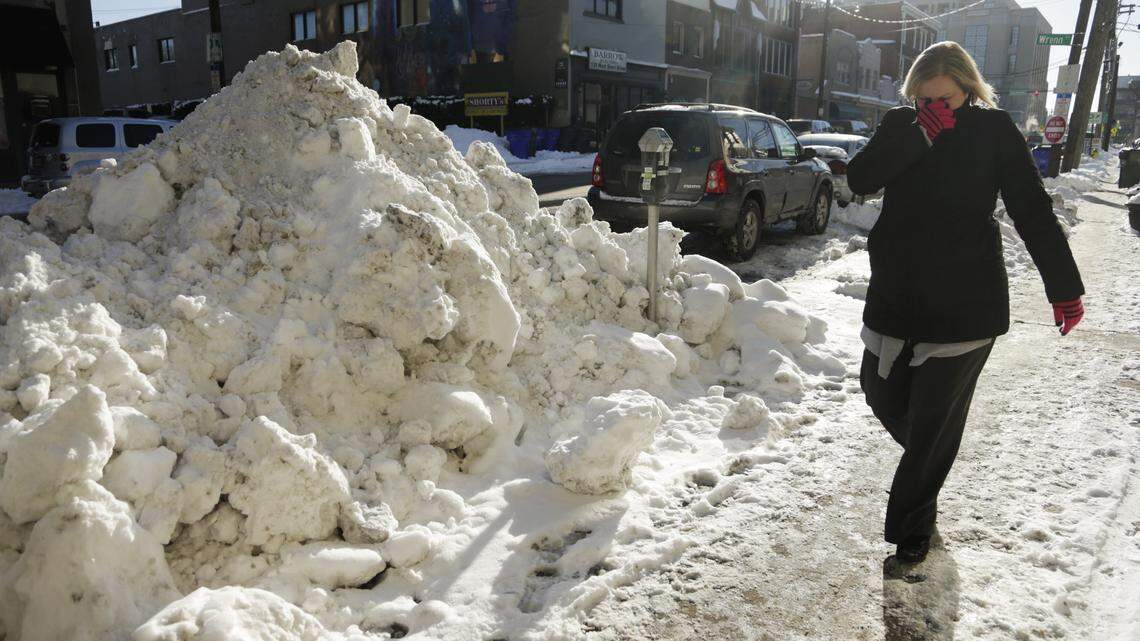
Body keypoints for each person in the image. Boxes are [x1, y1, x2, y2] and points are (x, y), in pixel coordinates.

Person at [846, 42, 1085, 564]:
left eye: (945, 100)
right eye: (923, 100)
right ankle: (928, 463)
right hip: (896, 296)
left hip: (965, 304)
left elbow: (1031, 209)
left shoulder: (993, 130)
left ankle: (911, 531)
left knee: (932, 425)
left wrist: (1063, 286)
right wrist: (919, 135)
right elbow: (860, 179)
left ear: (968, 90)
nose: (934, 108)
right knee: (881, 397)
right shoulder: (900, 125)